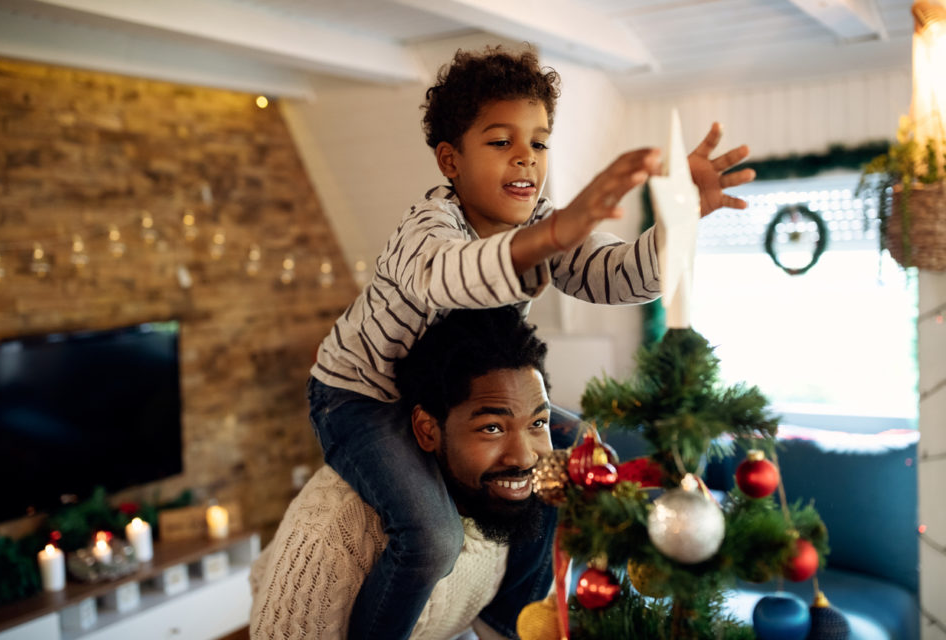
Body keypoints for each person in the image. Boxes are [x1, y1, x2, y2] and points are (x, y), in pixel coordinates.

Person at [308, 46, 756, 640]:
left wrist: (678, 221)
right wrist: (548, 237)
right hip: (363, 398)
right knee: (432, 538)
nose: (525, 156)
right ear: (451, 161)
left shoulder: (540, 222)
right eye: (500, 142)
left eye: (539, 143)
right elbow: (454, 276)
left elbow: (622, 276)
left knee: (573, 460)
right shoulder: (427, 232)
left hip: (453, 400)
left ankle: (506, 616)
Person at [251, 307, 559, 639]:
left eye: (538, 423)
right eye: (492, 428)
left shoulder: (512, 500)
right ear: (427, 430)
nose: (524, 456)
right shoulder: (338, 530)